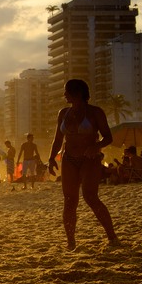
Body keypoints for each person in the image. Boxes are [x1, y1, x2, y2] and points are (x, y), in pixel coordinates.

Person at [47, 79, 120, 251]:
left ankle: (112, 236)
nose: (64, 94)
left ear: (78, 93)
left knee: (90, 197)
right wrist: (51, 159)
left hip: (90, 159)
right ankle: (71, 242)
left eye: (67, 91)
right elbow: (58, 139)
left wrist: (96, 146)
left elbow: (108, 137)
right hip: (69, 159)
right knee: (70, 200)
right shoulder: (63, 113)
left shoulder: (95, 112)